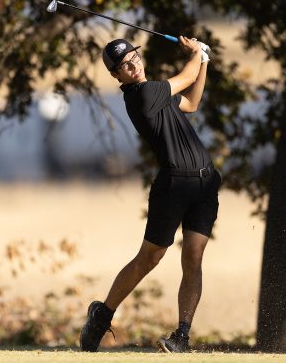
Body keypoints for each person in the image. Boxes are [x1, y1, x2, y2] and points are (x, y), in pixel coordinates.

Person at [79, 37, 221, 353]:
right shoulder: (143, 94)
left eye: (134, 57)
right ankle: (102, 315)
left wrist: (205, 63)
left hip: (205, 184)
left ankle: (181, 336)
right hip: (172, 186)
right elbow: (185, 77)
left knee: (193, 258)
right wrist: (197, 52)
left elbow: (192, 102)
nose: (134, 65)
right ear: (117, 76)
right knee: (150, 258)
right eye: (125, 65)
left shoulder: (158, 93)